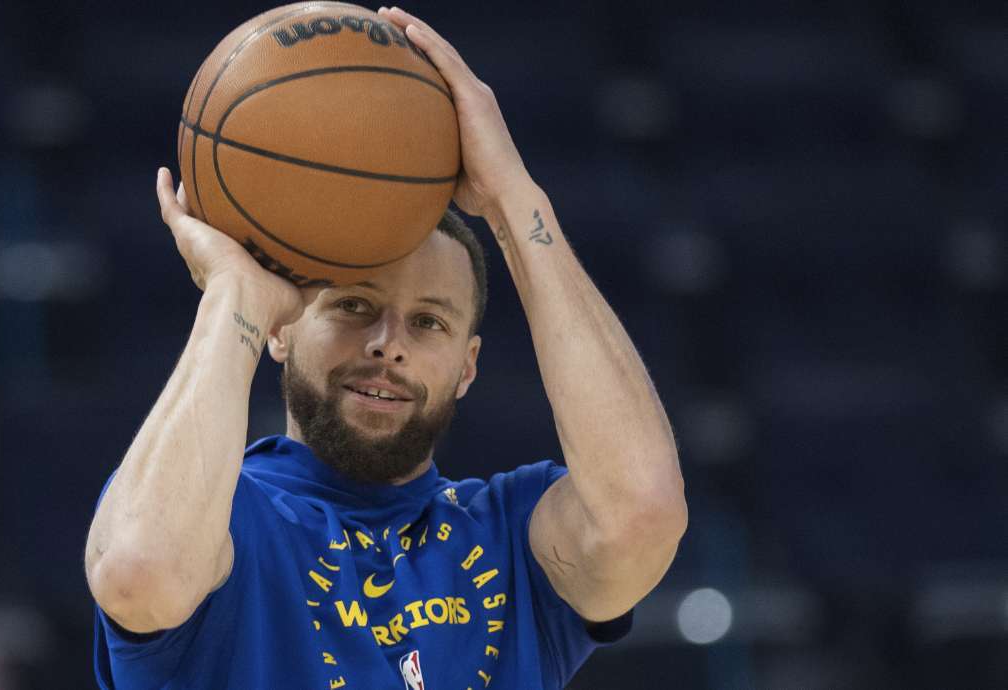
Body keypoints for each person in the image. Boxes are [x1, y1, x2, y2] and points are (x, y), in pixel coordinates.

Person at [85, 7, 687, 689]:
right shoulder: (221, 519)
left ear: (468, 367)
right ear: (281, 330)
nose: (387, 344)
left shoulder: (510, 537)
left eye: (429, 323)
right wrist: (234, 294)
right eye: (353, 306)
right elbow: (140, 573)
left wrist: (514, 201)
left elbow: (643, 513)